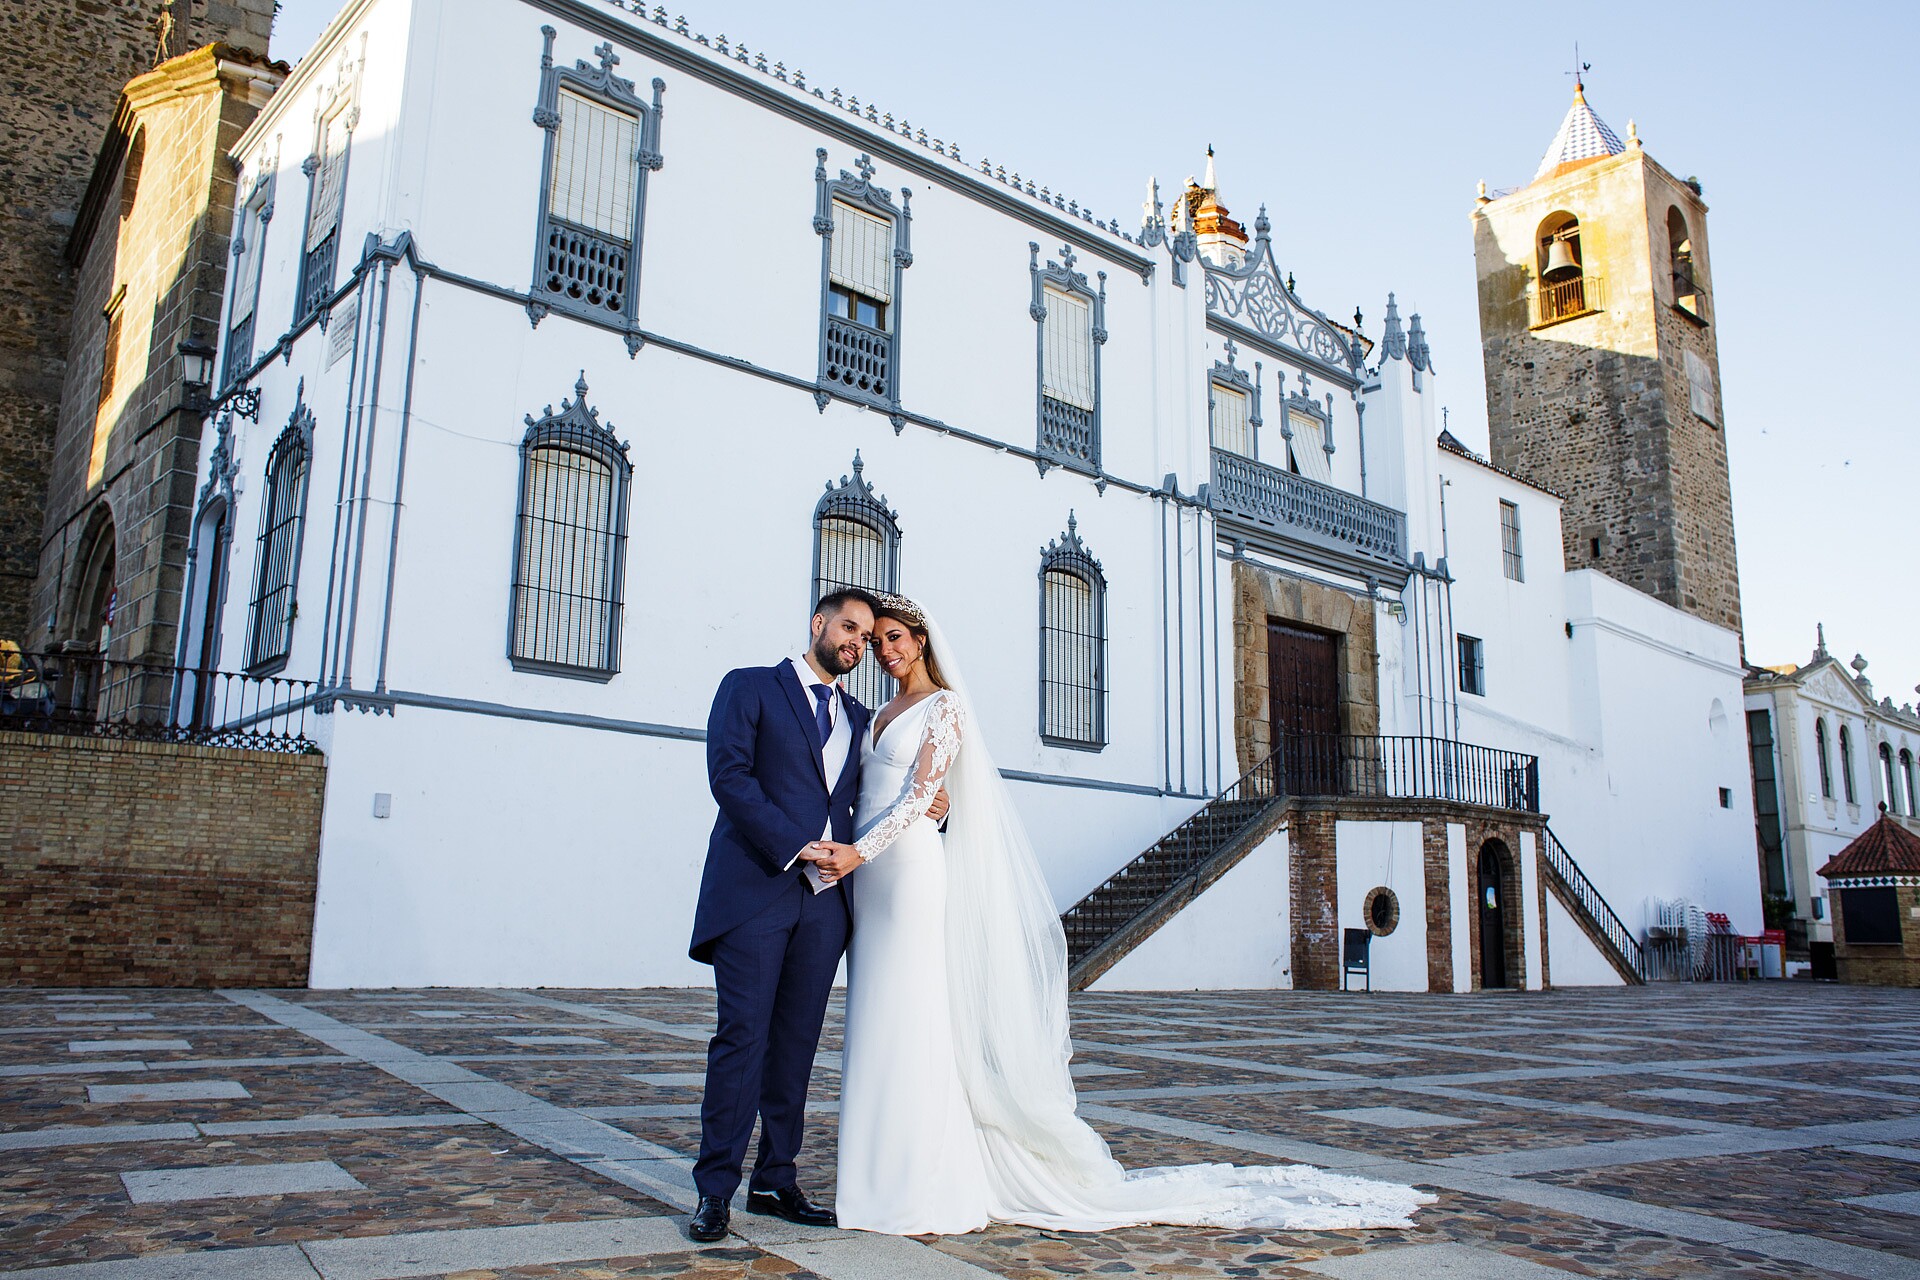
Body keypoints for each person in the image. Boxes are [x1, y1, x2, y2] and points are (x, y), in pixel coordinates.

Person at [823, 593, 1433, 1235]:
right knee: (877, 1012)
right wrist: (863, 851)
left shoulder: (945, 707)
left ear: (921, 641)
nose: (886, 651)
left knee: (916, 1014)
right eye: (879, 640)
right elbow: (884, 788)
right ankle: (870, 1178)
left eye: (896, 638)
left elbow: (923, 794)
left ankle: (920, 1182)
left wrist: (860, 852)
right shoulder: (876, 713)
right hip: (869, 876)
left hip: (906, 870)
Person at [686, 588, 946, 1243]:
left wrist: (939, 808)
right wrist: (793, 845)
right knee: (741, 1039)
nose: (860, 643)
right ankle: (715, 1190)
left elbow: (894, 791)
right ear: (819, 624)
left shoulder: (866, 718)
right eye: (852, 629)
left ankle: (775, 1179)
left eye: (871, 636)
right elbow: (730, 778)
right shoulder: (748, 688)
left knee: (798, 1046)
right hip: (755, 893)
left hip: (825, 907)